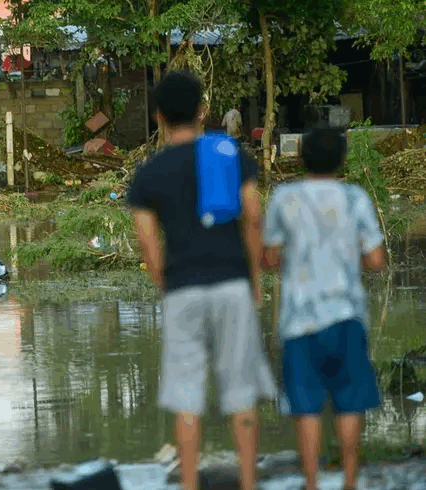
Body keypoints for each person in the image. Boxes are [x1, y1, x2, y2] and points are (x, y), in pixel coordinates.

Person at [128, 71, 277, 490]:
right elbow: (252, 215)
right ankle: (249, 482)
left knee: (186, 399)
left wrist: (165, 283)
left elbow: (146, 238)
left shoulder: (150, 172)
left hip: (182, 291)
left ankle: (190, 484)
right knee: (242, 393)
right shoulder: (227, 153)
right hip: (231, 284)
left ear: (158, 116)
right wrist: (254, 278)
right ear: (201, 110)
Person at [262, 127, 386, 490]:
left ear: (301, 158)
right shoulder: (355, 198)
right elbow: (376, 259)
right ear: (342, 160)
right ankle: (349, 480)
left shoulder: (285, 197)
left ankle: (312, 482)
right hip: (347, 316)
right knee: (349, 401)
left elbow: (268, 257)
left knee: (306, 404)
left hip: (299, 320)